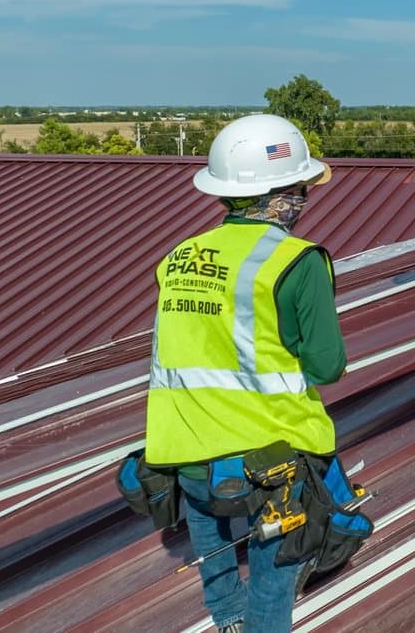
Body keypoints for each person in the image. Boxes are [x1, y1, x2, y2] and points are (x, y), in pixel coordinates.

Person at [142, 113, 347, 633]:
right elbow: (328, 366)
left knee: (213, 546)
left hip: (184, 457)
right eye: (302, 188)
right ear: (283, 194)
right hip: (268, 462)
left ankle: (227, 616)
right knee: (274, 578)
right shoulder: (297, 262)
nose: (305, 199)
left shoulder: (178, 258)